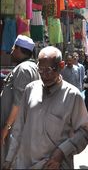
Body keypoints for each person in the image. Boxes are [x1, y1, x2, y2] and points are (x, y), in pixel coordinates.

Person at [3, 46, 88, 169]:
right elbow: (19, 129)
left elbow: (84, 131)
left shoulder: (72, 95)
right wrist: (9, 160)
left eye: (49, 70)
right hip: (25, 164)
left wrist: (61, 152)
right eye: (41, 69)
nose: (44, 75)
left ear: (61, 65)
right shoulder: (30, 89)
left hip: (53, 165)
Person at [0, 35, 40, 165]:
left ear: (19, 49)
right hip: (20, 127)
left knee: (10, 161)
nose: (11, 51)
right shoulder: (31, 67)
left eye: (13, 48)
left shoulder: (23, 69)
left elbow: (18, 102)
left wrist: (6, 128)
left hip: (14, 130)